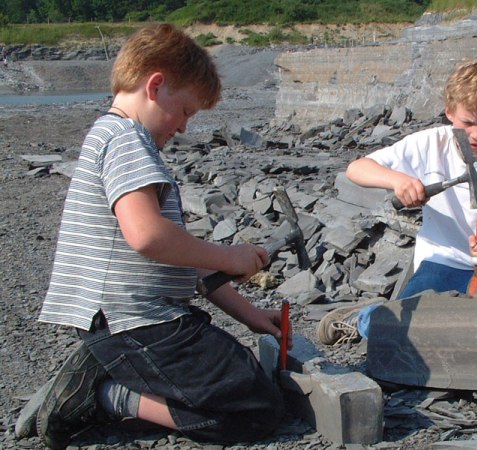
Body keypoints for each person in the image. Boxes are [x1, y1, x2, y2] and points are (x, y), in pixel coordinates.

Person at [21, 24, 287, 449]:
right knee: (255, 409)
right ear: (156, 85)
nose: (183, 127)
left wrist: (251, 314)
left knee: (241, 379)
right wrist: (229, 257)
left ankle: (110, 369)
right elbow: (147, 236)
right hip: (136, 320)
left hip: (133, 319)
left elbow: (180, 258)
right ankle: (108, 395)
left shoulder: (113, 137)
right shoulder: (127, 139)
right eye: (185, 110)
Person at [318, 59, 477, 346]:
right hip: (440, 266)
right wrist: (398, 181)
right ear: (450, 112)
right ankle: (365, 318)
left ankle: (450, 326)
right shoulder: (428, 144)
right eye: (468, 123)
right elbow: (356, 169)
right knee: (403, 330)